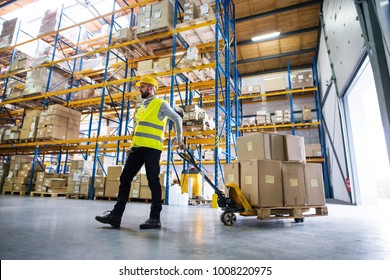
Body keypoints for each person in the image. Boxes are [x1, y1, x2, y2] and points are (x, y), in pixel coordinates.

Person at [95, 75, 184, 229]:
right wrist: (132, 146)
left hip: (152, 149)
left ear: (150, 88)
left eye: (142, 87)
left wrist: (179, 138)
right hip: (137, 149)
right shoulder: (142, 107)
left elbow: (177, 118)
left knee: (153, 181)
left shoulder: (160, 104)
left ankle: (155, 218)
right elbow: (138, 130)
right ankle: (116, 216)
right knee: (125, 178)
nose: (140, 89)